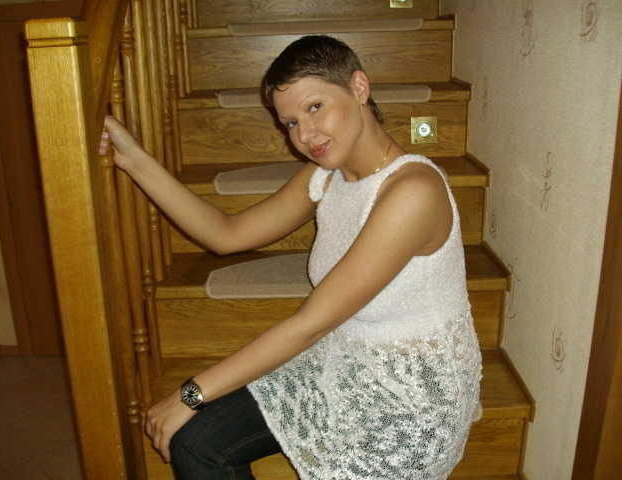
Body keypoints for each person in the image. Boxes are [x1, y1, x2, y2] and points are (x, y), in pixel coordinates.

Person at [101, 35, 482, 480]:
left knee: (194, 415)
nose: (305, 135)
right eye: (290, 123)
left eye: (315, 107)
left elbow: (310, 324)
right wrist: (133, 160)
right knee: (197, 443)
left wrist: (190, 393)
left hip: (410, 401)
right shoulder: (326, 175)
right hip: (347, 362)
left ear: (359, 88)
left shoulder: (413, 191)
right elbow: (226, 234)